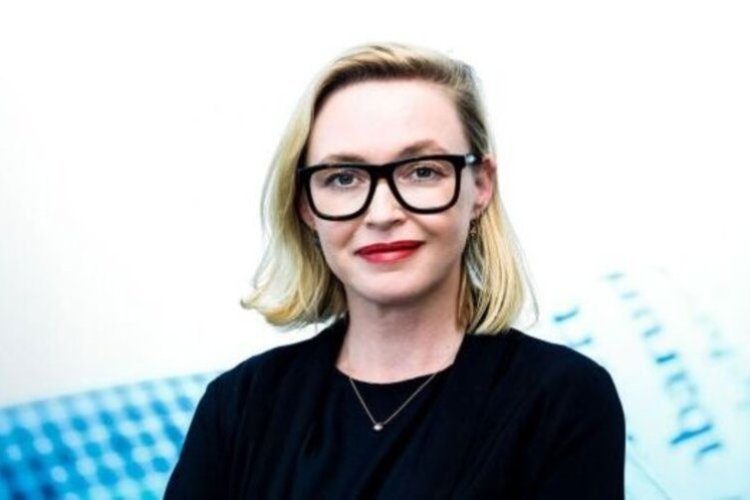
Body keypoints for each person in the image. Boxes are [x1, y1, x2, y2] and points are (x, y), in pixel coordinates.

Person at [165, 42, 625, 499]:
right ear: (306, 206)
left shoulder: (561, 398)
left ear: (480, 185)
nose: (382, 214)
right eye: (343, 178)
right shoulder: (240, 405)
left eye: (422, 171)